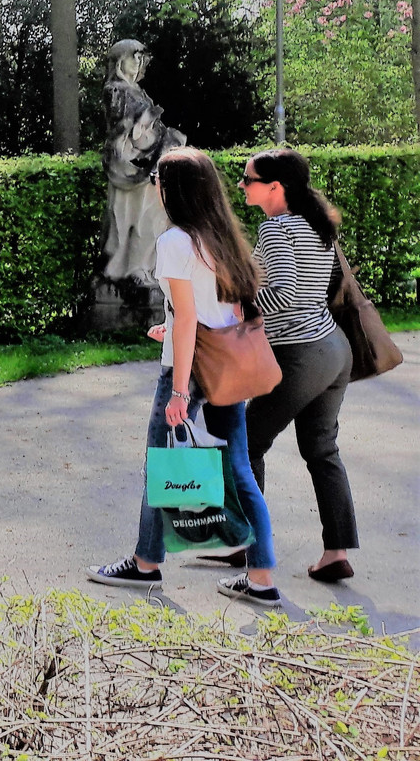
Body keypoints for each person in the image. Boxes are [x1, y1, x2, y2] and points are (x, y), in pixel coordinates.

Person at [88, 147, 282, 607]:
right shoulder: (222, 237)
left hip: (190, 370)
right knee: (237, 470)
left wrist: (178, 390)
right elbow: (223, 309)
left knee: (162, 461)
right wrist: (171, 325)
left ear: (172, 189)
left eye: (157, 175)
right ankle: (262, 578)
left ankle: (146, 564)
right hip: (224, 364)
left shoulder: (177, 241)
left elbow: (192, 316)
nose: (153, 181)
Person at [209, 148, 356, 583]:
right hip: (333, 349)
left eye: (248, 179)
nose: (241, 185)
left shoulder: (277, 228)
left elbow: (287, 293)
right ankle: (336, 552)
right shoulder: (317, 223)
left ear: (276, 187)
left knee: (247, 443)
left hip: (300, 353)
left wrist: (242, 307)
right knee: (322, 449)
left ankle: (252, 554)